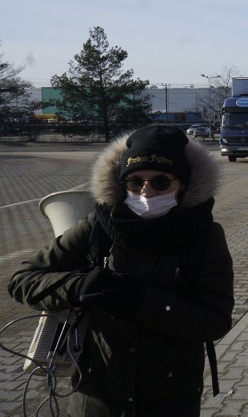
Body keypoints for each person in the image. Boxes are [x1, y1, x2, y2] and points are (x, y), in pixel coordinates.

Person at [8, 124, 235, 416]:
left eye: (161, 183)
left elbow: (215, 320)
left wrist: (142, 302)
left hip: (168, 398)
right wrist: (78, 287)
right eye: (135, 181)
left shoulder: (205, 236)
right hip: (97, 396)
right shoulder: (98, 226)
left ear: (183, 184)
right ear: (122, 182)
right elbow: (23, 280)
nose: (146, 191)